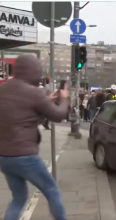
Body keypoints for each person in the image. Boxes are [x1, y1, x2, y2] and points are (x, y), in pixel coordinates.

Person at [0, 54, 69, 220]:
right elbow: (58, 115)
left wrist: (46, 100)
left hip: (4, 156)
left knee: (19, 197)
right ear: (34, 71)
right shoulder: (34, 93)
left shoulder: (3, 89)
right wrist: (64, 99)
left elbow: (21, 111)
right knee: (52, 191)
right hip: (25, 155)